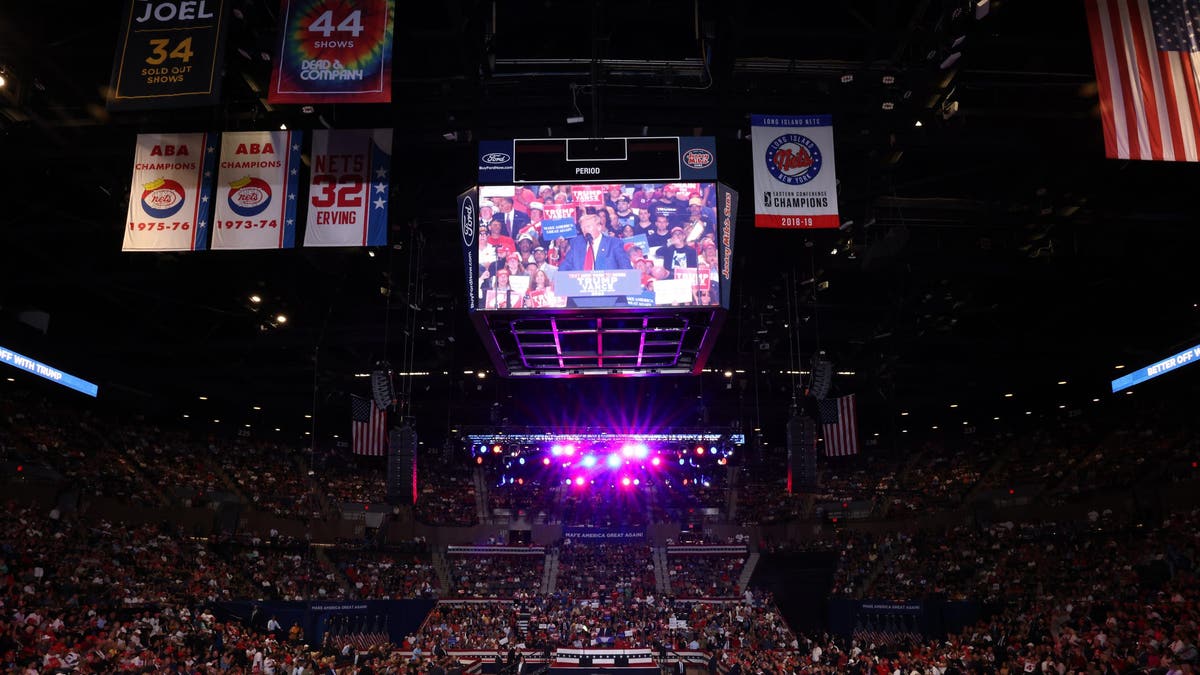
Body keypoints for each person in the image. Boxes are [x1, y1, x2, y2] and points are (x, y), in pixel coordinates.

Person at [558, 213, 631, 271]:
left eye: (588, 227)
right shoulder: (577, 243)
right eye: (582, 228)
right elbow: (565, 266)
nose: (584, 230)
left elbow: (626, 268)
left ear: (599, 227)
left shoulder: (614, 244)